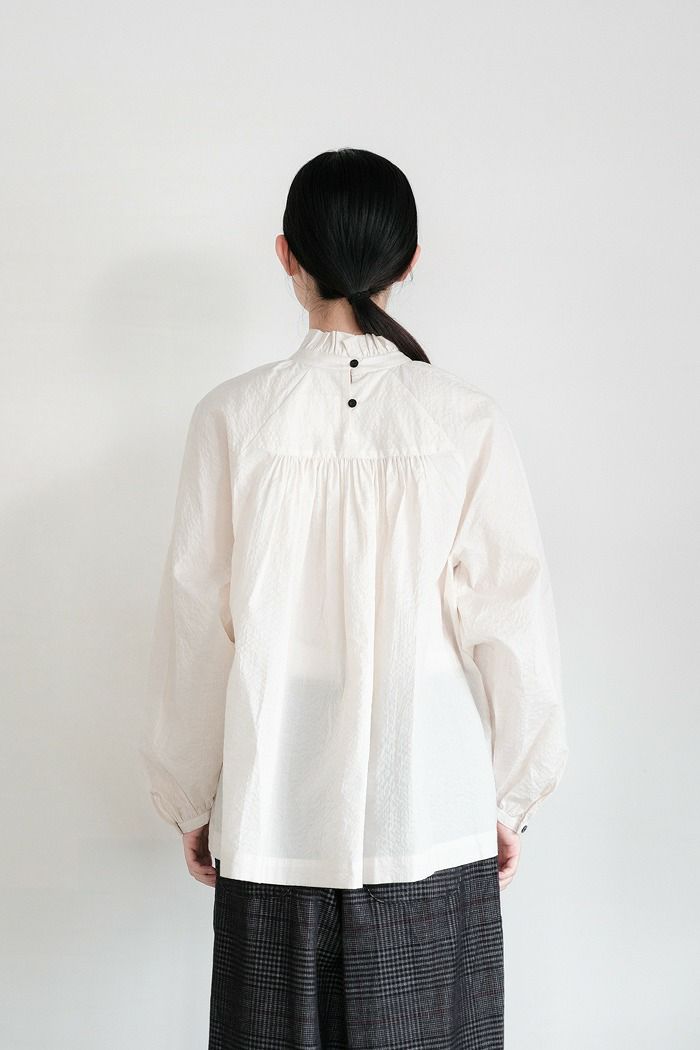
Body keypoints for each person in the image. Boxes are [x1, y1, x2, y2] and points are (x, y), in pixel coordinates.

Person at [139, 147, 569, 1050]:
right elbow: (512, 619)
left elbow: (197, 624)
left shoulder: (232, 416)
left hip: (274, 814)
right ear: (407, 263)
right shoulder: (465, 419)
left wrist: (191, 796)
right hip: (430, 812)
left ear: (286, 255)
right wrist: (511, 796)